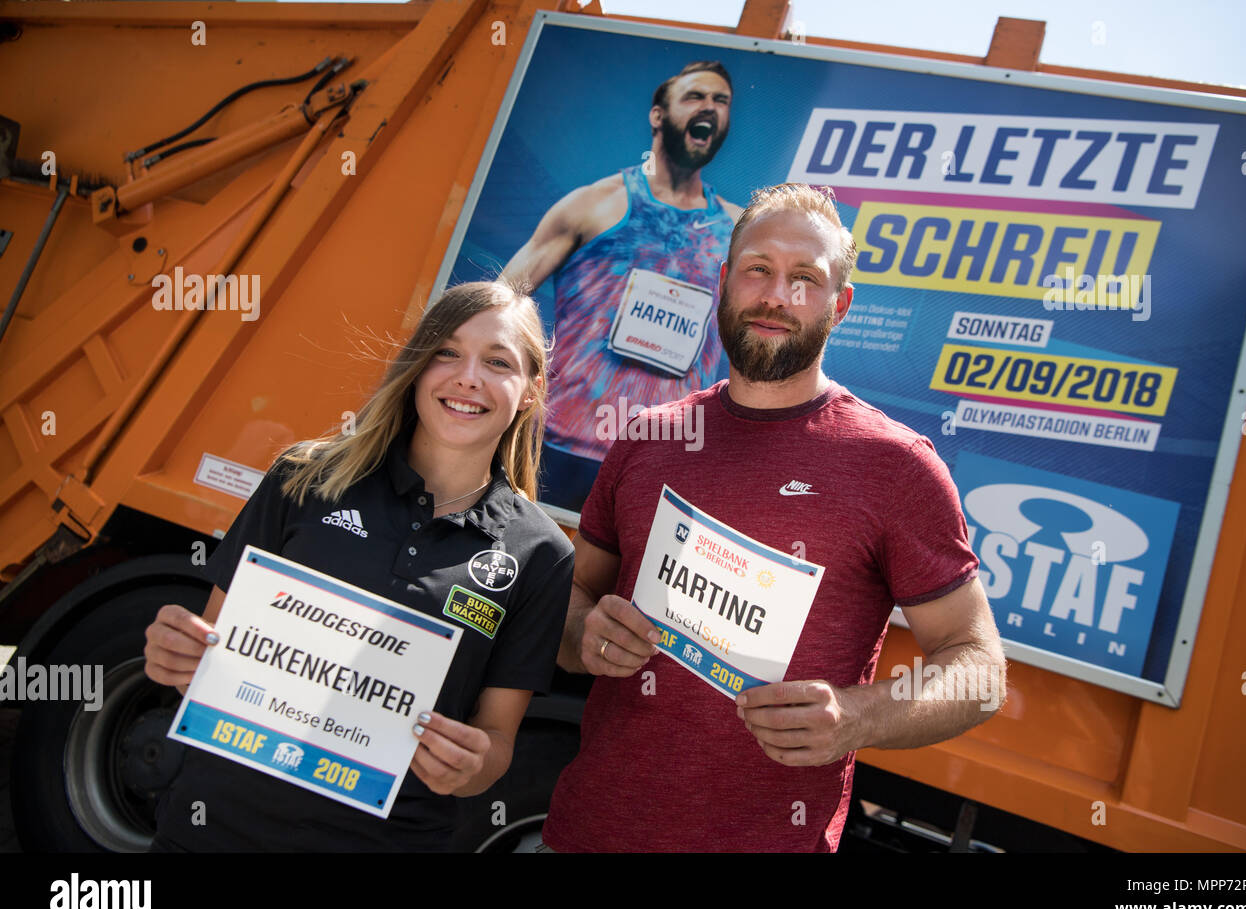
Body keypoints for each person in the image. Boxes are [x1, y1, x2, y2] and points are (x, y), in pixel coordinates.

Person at [543, 184, 1007, 852]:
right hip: (587, 834)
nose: (777, 295)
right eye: (758, 268)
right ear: (726, 280)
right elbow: (573, 600)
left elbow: (978, 668)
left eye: (805, 278)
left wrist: (857, 716)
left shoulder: (897, 465)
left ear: (841, 305)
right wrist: (584, 628)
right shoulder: (649, 436)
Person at [143, 280, 575, 852]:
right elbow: (210, 653)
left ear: (529, 391)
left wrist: (472, 767)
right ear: (419, 367)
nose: (468, 377)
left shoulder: (541, 554)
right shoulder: (303, 478)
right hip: (216, 827)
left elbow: (496, 742)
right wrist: (176, 656)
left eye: (497, 362)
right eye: (447, 351)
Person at [501, 60, 741, 513]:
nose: (709, 107)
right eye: (695, 96)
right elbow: (499, 305)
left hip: (660, 462)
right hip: (554, 449)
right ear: (658, 115)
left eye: (721, 101)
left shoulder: (736, 231)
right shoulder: (594, 204)